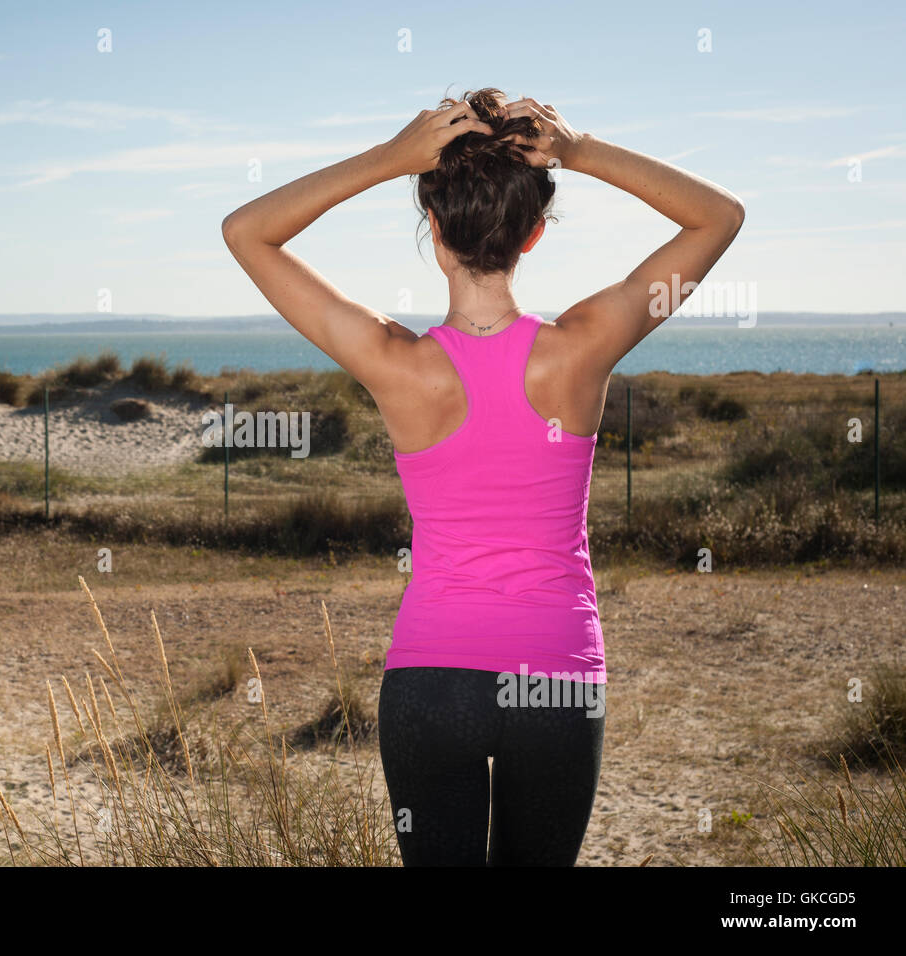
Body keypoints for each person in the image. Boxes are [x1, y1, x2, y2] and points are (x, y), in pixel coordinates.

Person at [221, 88, 744, 865]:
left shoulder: (395, 363)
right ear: (534, 234)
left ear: (433, 231)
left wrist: (388, 160)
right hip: (558, 679)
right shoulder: (584, 348)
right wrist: (580, 149)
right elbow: (719, 217)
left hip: (433, 684)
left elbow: (247, 234)